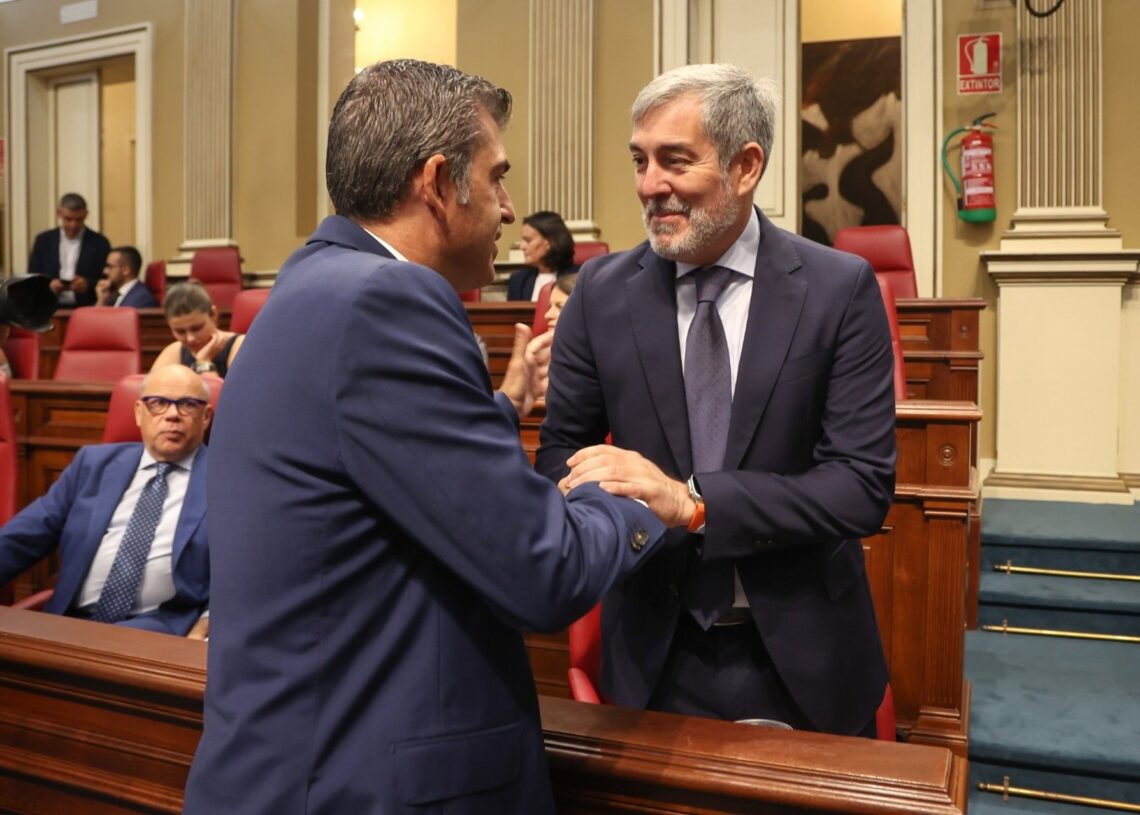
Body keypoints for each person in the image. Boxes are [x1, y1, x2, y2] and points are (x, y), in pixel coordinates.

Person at [184, 59, 680, 815]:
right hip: (369, 784)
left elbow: (382, 471)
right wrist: (650, 499)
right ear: (439, 181)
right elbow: (543, 570)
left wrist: (503, 407)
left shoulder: (304, 287)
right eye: (498, 177)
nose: (511, 209)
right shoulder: (391, 299)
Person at [536, 64, 897, 738]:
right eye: (639, 161)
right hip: (652, 655)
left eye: (675, 160)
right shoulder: (600, 293)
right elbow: (562, 454)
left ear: (746, 165)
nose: (650, 185)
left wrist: (698, 503)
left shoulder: (838, 289)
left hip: (804, 655)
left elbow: (860, 485)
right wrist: (625, 510)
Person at [0, 365, 211, 637]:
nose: (172, 415)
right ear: (138, 412)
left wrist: (207, 622)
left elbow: (245, 572)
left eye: (188, 405)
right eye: (158, 403)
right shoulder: (94, 464)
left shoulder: (225, 482)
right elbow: (23, 537)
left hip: (157, 632)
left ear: (205, 417)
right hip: (68, 625)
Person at [27, 192, 112, 308]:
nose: (73, 225)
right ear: (59, 214)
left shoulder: (100, 243)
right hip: (49, 306)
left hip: (86, 306)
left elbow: (108, 278)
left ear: (86, 215)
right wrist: (49, 286)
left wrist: (87, 284)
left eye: (79, 220)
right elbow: (32, 275)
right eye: (68, 219)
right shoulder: (43, 240)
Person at [151, 281, 243, 377]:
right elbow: (151, 390)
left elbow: (216, 392)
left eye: (196, 328)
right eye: (180, 331)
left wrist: (204, 361)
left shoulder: (240, 346)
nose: (190, 339)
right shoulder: (175, 351)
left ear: (213, 315)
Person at [506, 210, 575, 300]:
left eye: (528, 240)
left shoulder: (577, 277)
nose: (522, 247)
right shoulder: (518, 280)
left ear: (550, 242)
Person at [94, 246, 159, 308]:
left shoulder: (142, 299)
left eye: (110, 266)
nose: (104, 271)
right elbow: (95, 318)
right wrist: (101, 300)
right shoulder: (113, 295)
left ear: (126, 270)